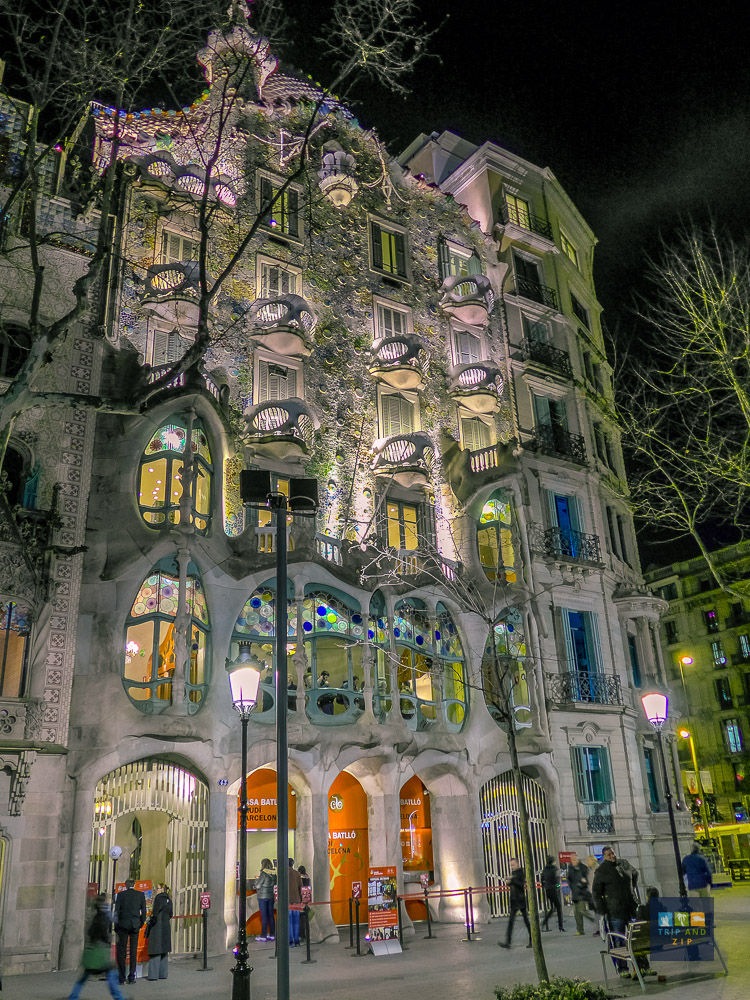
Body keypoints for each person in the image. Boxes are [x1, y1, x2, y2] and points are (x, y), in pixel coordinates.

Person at [68, 894, 125, 1000]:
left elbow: (90, 932)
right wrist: (111, 938)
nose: (110, 903)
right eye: (108, 901)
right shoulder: (103, 917)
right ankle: (119, 998)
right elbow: (103, 933)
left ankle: (73, 996)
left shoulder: (95, 915)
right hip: (101, 951)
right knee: (111, 974)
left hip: (93, 950)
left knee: (84, 977)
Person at [592, 846, 638, 975]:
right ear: (604, 856)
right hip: (614, 911)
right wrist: (602, 909)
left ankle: (639, 967)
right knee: (619, 940)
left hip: (629, 908)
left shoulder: (622, 865)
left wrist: (632, 888)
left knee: (634, 938)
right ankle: (623, 968)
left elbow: (634, 874)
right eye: (608, 854)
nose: (612, 856)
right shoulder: (601, 871)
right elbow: (596, 892)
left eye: (612, 853)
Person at [113, 878, 147, 984]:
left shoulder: (121, 895)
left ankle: (121, 977)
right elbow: (144, 912)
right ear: (134, 884)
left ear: (126, 885)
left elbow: (116, 912)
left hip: (122, 926)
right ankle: (132, 976)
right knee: (133, 952)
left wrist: (116, 925)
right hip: (134, 926)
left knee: (121, 952)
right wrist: (140, 924)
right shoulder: (140, 895)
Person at [498, 859, 532, 950]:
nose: (511, 867)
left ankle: (532, 939)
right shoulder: (513, 873)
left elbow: (521, 884)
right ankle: (508, 942)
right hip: (514, 900)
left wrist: (512, 880)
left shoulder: (521, 872)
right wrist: (509, 882)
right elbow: (513, 885)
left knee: (526, 920)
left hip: (520, 900)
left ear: (517, 864)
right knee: (511, 922)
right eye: (510, 865)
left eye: (513, 865)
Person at [146, 884, 172, 980]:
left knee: (155, 950)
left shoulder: (158, 898)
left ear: (162, 889)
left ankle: (153, 975)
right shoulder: (169, 900)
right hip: (166, 927)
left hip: (157, 927)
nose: (156, 890)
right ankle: (163, 974)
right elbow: (171, 914)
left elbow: (155, 913)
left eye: (157, 888)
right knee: (164, 951)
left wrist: (151, 920)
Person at [567, 852, 594, 935]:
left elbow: (586, 880)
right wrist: (572, 887)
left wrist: (580, 884)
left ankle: (594, 920)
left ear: (577, 859)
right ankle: (580, 930)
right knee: (576, 913)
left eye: (574, 859)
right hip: (575, 893)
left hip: (582, 893)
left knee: (582, 910)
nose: (573, 861)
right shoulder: (570, 868)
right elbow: (569, 879)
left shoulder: (583, 867)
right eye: (572, 860)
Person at [541, 855, 565, 932]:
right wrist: (558, 885)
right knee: (558, 907)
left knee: (552, 908)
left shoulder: (544, 870)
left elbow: (542, 881)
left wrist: (545, 887)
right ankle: (560, 927)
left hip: (548, 891)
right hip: (553, 890)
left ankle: (544, 922)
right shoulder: (554, 869)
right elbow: (556, 882)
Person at [256, 858, 276, 942]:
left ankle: (263, 935)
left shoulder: (264, 873)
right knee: (271, 916)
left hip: (262, 897)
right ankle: (272, 934)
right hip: (271, 896)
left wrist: (256, 881)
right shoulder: (274, 874)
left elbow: (258, 885)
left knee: (264, 916)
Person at [288, 858, 302, 947]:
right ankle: (297, 941)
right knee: (296, 921)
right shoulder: (297, 873)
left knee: (289, 922)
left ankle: (291, 941)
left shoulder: (282, 873)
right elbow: (301, 887)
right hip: (296, 900)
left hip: (287, 901)